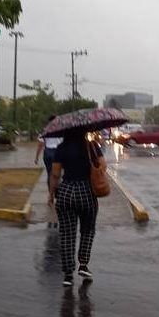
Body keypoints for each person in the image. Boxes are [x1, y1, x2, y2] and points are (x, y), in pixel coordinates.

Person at [48, 129, 104, 287]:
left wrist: (51, 194)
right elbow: (103, 166)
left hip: (65, 192)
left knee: (66, 234)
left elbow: (55, 174)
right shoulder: (91, 146)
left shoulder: (61, 148)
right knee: (88, 229)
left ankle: (67, 275)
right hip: (86, 192)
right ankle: (84, 265)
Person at [34, 115, 63, 188]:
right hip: (57, 152)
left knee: (50, 173)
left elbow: (40, 145)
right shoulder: (61, 130)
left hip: (47, 152)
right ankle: (56, 190)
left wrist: (36, 157)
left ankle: (51, 193)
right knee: (57, 173)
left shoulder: (45, 130)